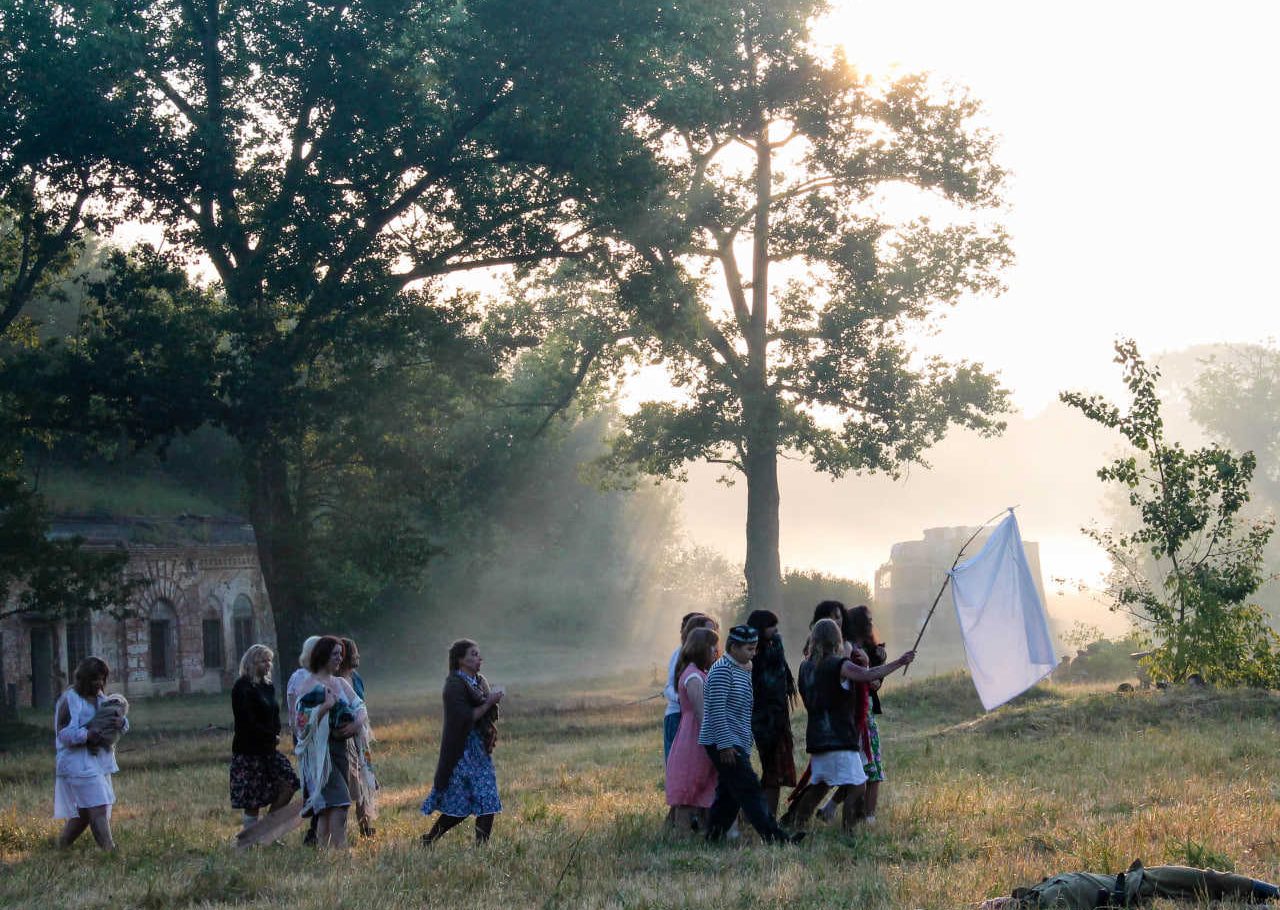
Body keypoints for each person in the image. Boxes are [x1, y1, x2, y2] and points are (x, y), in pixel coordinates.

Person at [783, 619, 913, 832]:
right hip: (840, 737)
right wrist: (900, 661)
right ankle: (848, 831)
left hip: (817, 736)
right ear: (837, 640)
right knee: (858, 784)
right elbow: (869, 676)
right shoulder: (839, 665)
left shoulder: (805, 667)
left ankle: (795, 823)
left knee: (820, 784)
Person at [699, 624, 803, 845]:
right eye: (749, 649)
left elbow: (743, 709)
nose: (753, 653)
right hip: (723, 742)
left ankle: (713, 838)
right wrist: (725, 745)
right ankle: (776, 838)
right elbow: (716, 711)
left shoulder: (743, 667)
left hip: (737, 740)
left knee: (729, 794)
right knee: (750, 789)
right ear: (733, 647)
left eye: (755, 648)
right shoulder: (721, 671)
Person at [421, 639, 504, 845]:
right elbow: (465, 717)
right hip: (460, 752)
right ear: (461, 659)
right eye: (474, 654)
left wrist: (491, 707)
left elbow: (487, 716)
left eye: (478, 654)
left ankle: (481, 848)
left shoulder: (479, 681)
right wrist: (489, 702)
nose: (479, 658)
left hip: (479, 751)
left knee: (487, 798)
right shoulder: (454, 685)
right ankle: (430, 839)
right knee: (459, 806)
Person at [293, 636, 366, 849]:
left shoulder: (340, 683)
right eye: (335, 654)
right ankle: (341, 850)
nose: (340, 658)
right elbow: (301, 724)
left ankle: (325, 855)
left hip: (341, 751)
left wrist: (355, 725)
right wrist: (326, 706)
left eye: (341, 654)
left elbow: (359, 706)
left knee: (326, 809)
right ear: (323, 656)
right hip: (320, 755)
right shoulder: (308, 684)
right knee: (341, 803)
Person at [980, 858, 1280, 908]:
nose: (993, 904)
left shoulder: (1035, 892)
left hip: (1140, 877)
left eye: (991, 902)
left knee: (1210, 878)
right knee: (1210, 901)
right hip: (1135, 897)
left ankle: (1275, 893)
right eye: (992, 909)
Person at [54, 657, 128, 850]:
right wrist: (86, 735)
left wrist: (122, 724)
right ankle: (109, 850)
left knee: (85, 814)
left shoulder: (102, 699)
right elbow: (62, 733)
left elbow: (112, 719)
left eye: (102, 678)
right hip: (77, 762)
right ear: (84, 679)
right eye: (95, 678)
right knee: (98, 805)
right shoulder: (70, 699)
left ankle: (61, 847)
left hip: (98, 761)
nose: (100, 683)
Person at [230, 644, 300, 835]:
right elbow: (246, 720)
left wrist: (275, 733)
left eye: (270, 660)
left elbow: (274, 714)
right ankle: (249, 841)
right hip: (249, 751)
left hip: (269, 749)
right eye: (263, 660)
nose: (268, 664)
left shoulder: (267, 686)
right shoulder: (242, 687)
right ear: (252, 663)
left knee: (290, 783)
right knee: (253, 800)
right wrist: (268, 735)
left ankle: (266, 831)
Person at [835, 604, 888, 825]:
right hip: (856, 715)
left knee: (867, 767)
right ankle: (865, 815)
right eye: (866, 620)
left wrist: (879, 661)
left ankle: (864, 814)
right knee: (866, 768)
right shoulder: (848, 649)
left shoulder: (871, 648)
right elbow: (870, 682)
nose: (870, 624)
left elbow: (875, 684)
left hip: (863, 714)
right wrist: (867, 666)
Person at [664, 627, 720, 833]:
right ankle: (683, 834)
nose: (716, 651)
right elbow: (702, 713)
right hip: (695, 736)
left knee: (704, 783)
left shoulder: (698, 673)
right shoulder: (693, 677)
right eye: (713, 646)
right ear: (702, 648)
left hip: (695, 733)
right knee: (691, 781)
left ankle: (704, 832)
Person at [746, 609, 796, 819]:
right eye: (770, 626)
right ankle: (766, 817)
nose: (775, 630)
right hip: (764, 720)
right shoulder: (755, 654)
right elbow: (765, 683)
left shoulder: (774, 650)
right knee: (772, 771)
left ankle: (762, 815)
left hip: (778, 719)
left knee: (775, 770)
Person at [338, 637, 377, 838]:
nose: (357, 656)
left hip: (360, 737)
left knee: (365, 780)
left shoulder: (357, 678)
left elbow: (362, 703)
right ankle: (337, 831)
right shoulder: (336, 680)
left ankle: (366, 825)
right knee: (348, 783)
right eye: (354, 652)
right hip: (344, 739)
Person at [663, 613, 714, 762]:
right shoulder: (680, 654)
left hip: (694, 715)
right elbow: (670, 687)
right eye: (709, 630)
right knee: (679, 761)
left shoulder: (707, 656)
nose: (713, 634)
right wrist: (684, 698)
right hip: (678, 715)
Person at [286, 635, 322, 845]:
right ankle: (314, 831)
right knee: (313, 782)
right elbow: (293, 713)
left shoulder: (327, 676)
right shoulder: (298, 677)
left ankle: (319, 829)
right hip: (306, 738)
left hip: (325, 736)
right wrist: (301, 735)